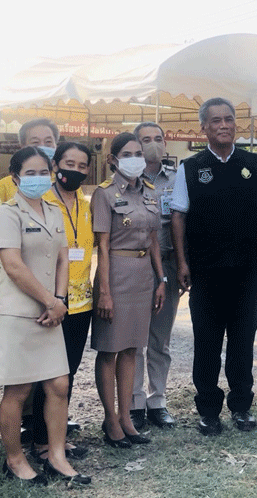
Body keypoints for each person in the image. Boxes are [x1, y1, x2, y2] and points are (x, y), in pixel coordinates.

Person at [171, 97, 257, 436]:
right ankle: (208, 410)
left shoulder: (253, 164)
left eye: (229, 119)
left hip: (246, 271)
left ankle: (241, 406)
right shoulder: (190, 167)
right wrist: (183, 261)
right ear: (203, 127)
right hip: (205, 272)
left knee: (243, 343)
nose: (224, 125)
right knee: (207, 344)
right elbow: (178, 216)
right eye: (216, 120)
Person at [0, 147, 90, 485]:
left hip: (50, 312)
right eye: (30, 173)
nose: (38, 179)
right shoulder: (7, 213)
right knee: (18, 390)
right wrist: (50, 301)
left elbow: (62, 258)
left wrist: (59, 299)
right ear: (15, 178)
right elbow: (13, 265)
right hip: (17, 313)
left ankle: (57, 456)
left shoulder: (53, 210)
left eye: (43, 172)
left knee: (59, 384)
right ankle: (15, 460)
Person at [92, 133, 166, 447]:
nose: (134, 158)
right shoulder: (104, 193)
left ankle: (126, 417)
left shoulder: (149, 191)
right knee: (110, 349)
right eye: (127, 154)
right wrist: (104, 292)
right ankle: (110, 419)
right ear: (113, 159)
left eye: (138, 153)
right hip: (116, 274)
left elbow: (154, 240)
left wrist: (161, 279)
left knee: (132, 349)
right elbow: (102, 246)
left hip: (143, 276)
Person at [30, 142, 94, 461]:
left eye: (82, 166)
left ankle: (58, 437)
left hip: (81, 302)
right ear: (55, 165)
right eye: (69, 163)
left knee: (69, 371)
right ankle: (41, 440)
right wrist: (49, 298)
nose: (75, 171)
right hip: (51, 298)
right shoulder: (41, 200)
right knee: (48, 374)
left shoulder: (86, 202)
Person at [130, 122, 179, 430]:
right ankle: (134, 402)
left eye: (157, 139)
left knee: (160, 339)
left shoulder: (177, 179)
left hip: (169, 265)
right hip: (135, 266)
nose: (152, 144)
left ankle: (157, 400)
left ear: (166, 142)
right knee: (134, 339)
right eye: (145, 139)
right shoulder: (126, 181)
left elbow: (184, 221)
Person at [0, 119, 59, 202]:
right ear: (23, 146)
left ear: (55, 145)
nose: (43, 146)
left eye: (48, 141)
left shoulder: (63, 183)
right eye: (35, 142)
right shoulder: (5, 186)